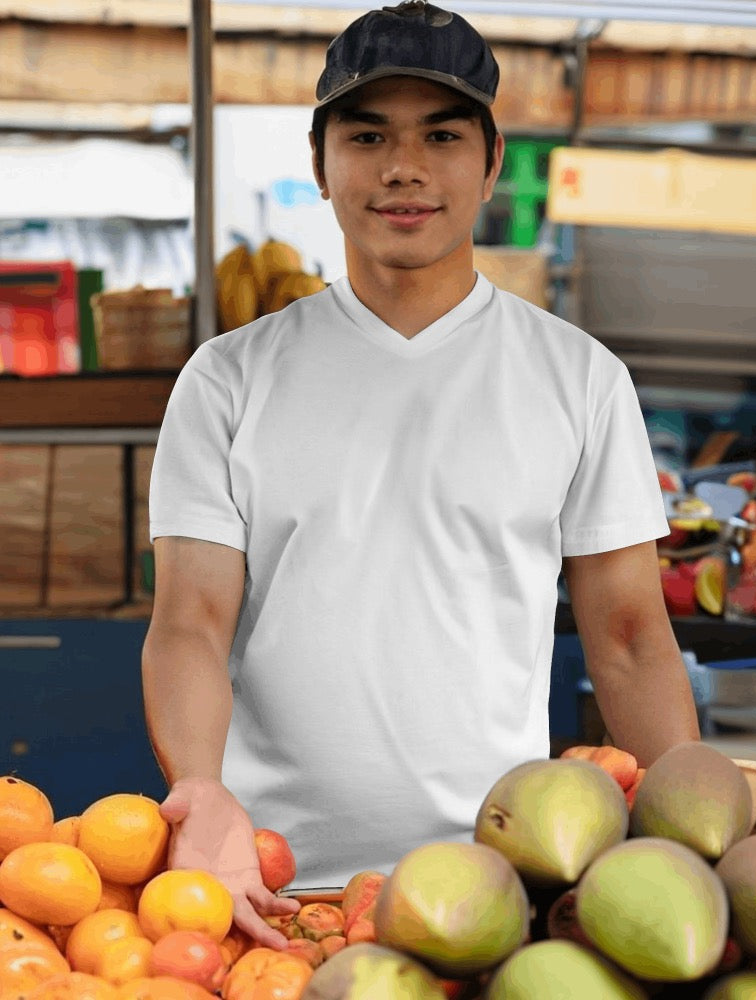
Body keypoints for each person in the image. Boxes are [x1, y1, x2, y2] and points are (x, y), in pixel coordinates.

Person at [142, 0, 700, 951]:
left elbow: (631, 636)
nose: (404, 167)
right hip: (273, 890)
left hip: (501, 886)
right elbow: (190, 622)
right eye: (368, 135)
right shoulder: (227, 378)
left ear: (489, 163)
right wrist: (201, 793)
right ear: (321, 167)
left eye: (441, 134)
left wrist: (699, 842)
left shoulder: (578, 378)